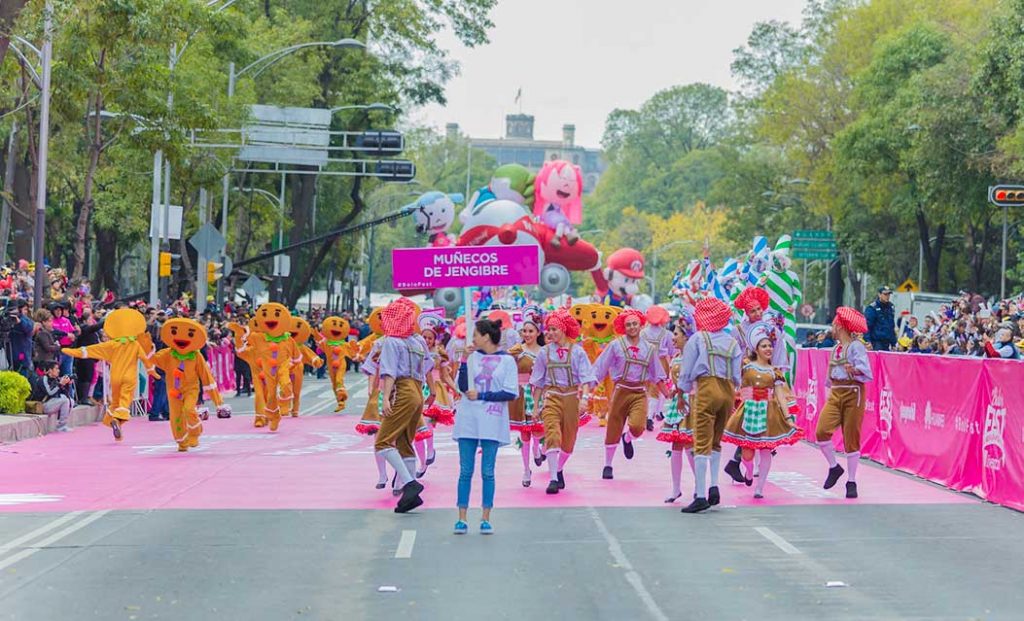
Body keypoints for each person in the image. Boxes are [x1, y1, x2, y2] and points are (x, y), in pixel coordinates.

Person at [722, 324, 803, 499]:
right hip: (749, 411)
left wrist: (788, 417)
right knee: (747, 454)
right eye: (764, 346)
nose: (768, 349)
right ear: (756, 349)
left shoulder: (775, 372)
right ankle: (749, 472)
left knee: (766, 450)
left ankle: (760, 487)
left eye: (770, 346)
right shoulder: (746, 366)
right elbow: (734, 382)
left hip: (768, 413)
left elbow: (780, 396)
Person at [452, 318, 518, 535]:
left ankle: (485, 517)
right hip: (468, 419)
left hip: (492, 419)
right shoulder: (472, 357)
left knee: (488, 472)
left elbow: (510, 392)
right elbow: (462, 386)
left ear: (486, 336)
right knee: (465, 471)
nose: (472, 340)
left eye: (475, 335)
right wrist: (463, 359)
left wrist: (482, 395)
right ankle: (461, 518)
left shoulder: (507, 361)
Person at [678, 298, 742, 514]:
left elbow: (686, 370)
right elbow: (736, 375)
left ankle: (700, 495)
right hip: (727, 391)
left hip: (706, 387)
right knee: (716, 441)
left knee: (701, 442)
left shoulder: (698, 339)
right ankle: (714, 486)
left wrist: (681, 391)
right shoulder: (732, 342)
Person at [593, 308, 666, 480]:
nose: (632, 327)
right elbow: (601, 366)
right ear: (623, 327)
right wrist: (588, 387)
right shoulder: (616, 345)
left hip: (640, 392)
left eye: (635, 324)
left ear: (641, 325)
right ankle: (608, 465)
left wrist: (669, 394)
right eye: (628, 325)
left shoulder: (649, 349)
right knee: (613, 427)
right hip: (620, 390)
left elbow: (657, 374)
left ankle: (628, 438)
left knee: (638, 427)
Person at [529, 308, 596, 495]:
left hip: (572, 398)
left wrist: (584, 398)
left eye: (554, 329)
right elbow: (538, 382)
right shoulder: (544, 353)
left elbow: (586, 378)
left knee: (568, 442)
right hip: (551, 397)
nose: (550, 333)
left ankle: (558, 469)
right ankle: (551, 479)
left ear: (564, 330)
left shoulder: (578, 352)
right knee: (552, 434)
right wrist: (535, 406)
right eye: (548, 329)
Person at [375, 298, 430, 513]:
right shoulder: (416, 342)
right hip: (417, 390)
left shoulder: (391, 341)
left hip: (404, 390)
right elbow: (427, 366)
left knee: (383, 441)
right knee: (405, 442)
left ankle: (409, 483)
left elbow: (389, 373)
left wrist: (386, 398)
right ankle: (409, 496)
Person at [815, 307, 873, 499]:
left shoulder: (856, 346)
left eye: (833, 324)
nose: (831, 327)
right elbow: (828, 377)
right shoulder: (835, 348)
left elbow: (866, 372)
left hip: (852, 392)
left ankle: (851, 480)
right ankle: (834, 467)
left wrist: (854, 369)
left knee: (851, 437)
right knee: (822, 432)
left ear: (839, 326)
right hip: (836, 392)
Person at [656, 317, 695, 503]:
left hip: (690, 403)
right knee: (677, 444)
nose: (673, 338)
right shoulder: (677, 357)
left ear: (686, 337)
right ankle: (676, 488)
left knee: (690, 444)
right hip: (678, 403)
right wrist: (672, 390)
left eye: (677, 334)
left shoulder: (694, 356)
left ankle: (699, 485)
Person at [507, 306, 546, 487]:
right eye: (524, 331)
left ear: (538, 332)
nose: (527, 334)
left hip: (539, 393)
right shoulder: (516, 349)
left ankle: (537, 451)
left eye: (531, 331)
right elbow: (504, 366)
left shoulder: (544, 351)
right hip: (521, 394)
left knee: (539, 430)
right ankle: (526, 469)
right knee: (524, 434)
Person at [640, 306, 674, 431]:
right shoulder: (667, 334)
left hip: (645, 362)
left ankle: (650, 414)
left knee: (646, 389)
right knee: (658, 389)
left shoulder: (642, 333)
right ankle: (651, 416)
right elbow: (671, 351)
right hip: (661, 362)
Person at [31, 360, 74, 432]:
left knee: (71, 401)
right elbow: (50, 393)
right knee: (65, 401)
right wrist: (60, 384)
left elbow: (64, 393)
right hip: (43, 405)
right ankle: (61, 426)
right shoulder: (43, 379)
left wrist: (67, 384)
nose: (58, 371)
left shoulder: (56, 379)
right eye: (56, 369)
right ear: (50, 370)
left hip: (52, 403)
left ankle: (62, 423)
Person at [864, 286, 896, 352]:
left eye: (889, 294)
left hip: (887, 342)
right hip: (876, 342)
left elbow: (891, 326)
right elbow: (867, 326)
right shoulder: (872, 308)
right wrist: (868, 341)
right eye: (885, 294)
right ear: (879, 294)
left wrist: (893, 343)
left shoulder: (891, 307)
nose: (887, 296)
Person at [9, 299, 35, 378]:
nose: (26, 312)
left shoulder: (25, 320)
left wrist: (19, 322)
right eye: (25, 309)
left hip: (22, 357)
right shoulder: (6, 317)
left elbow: (29, 329)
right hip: (8, 355)